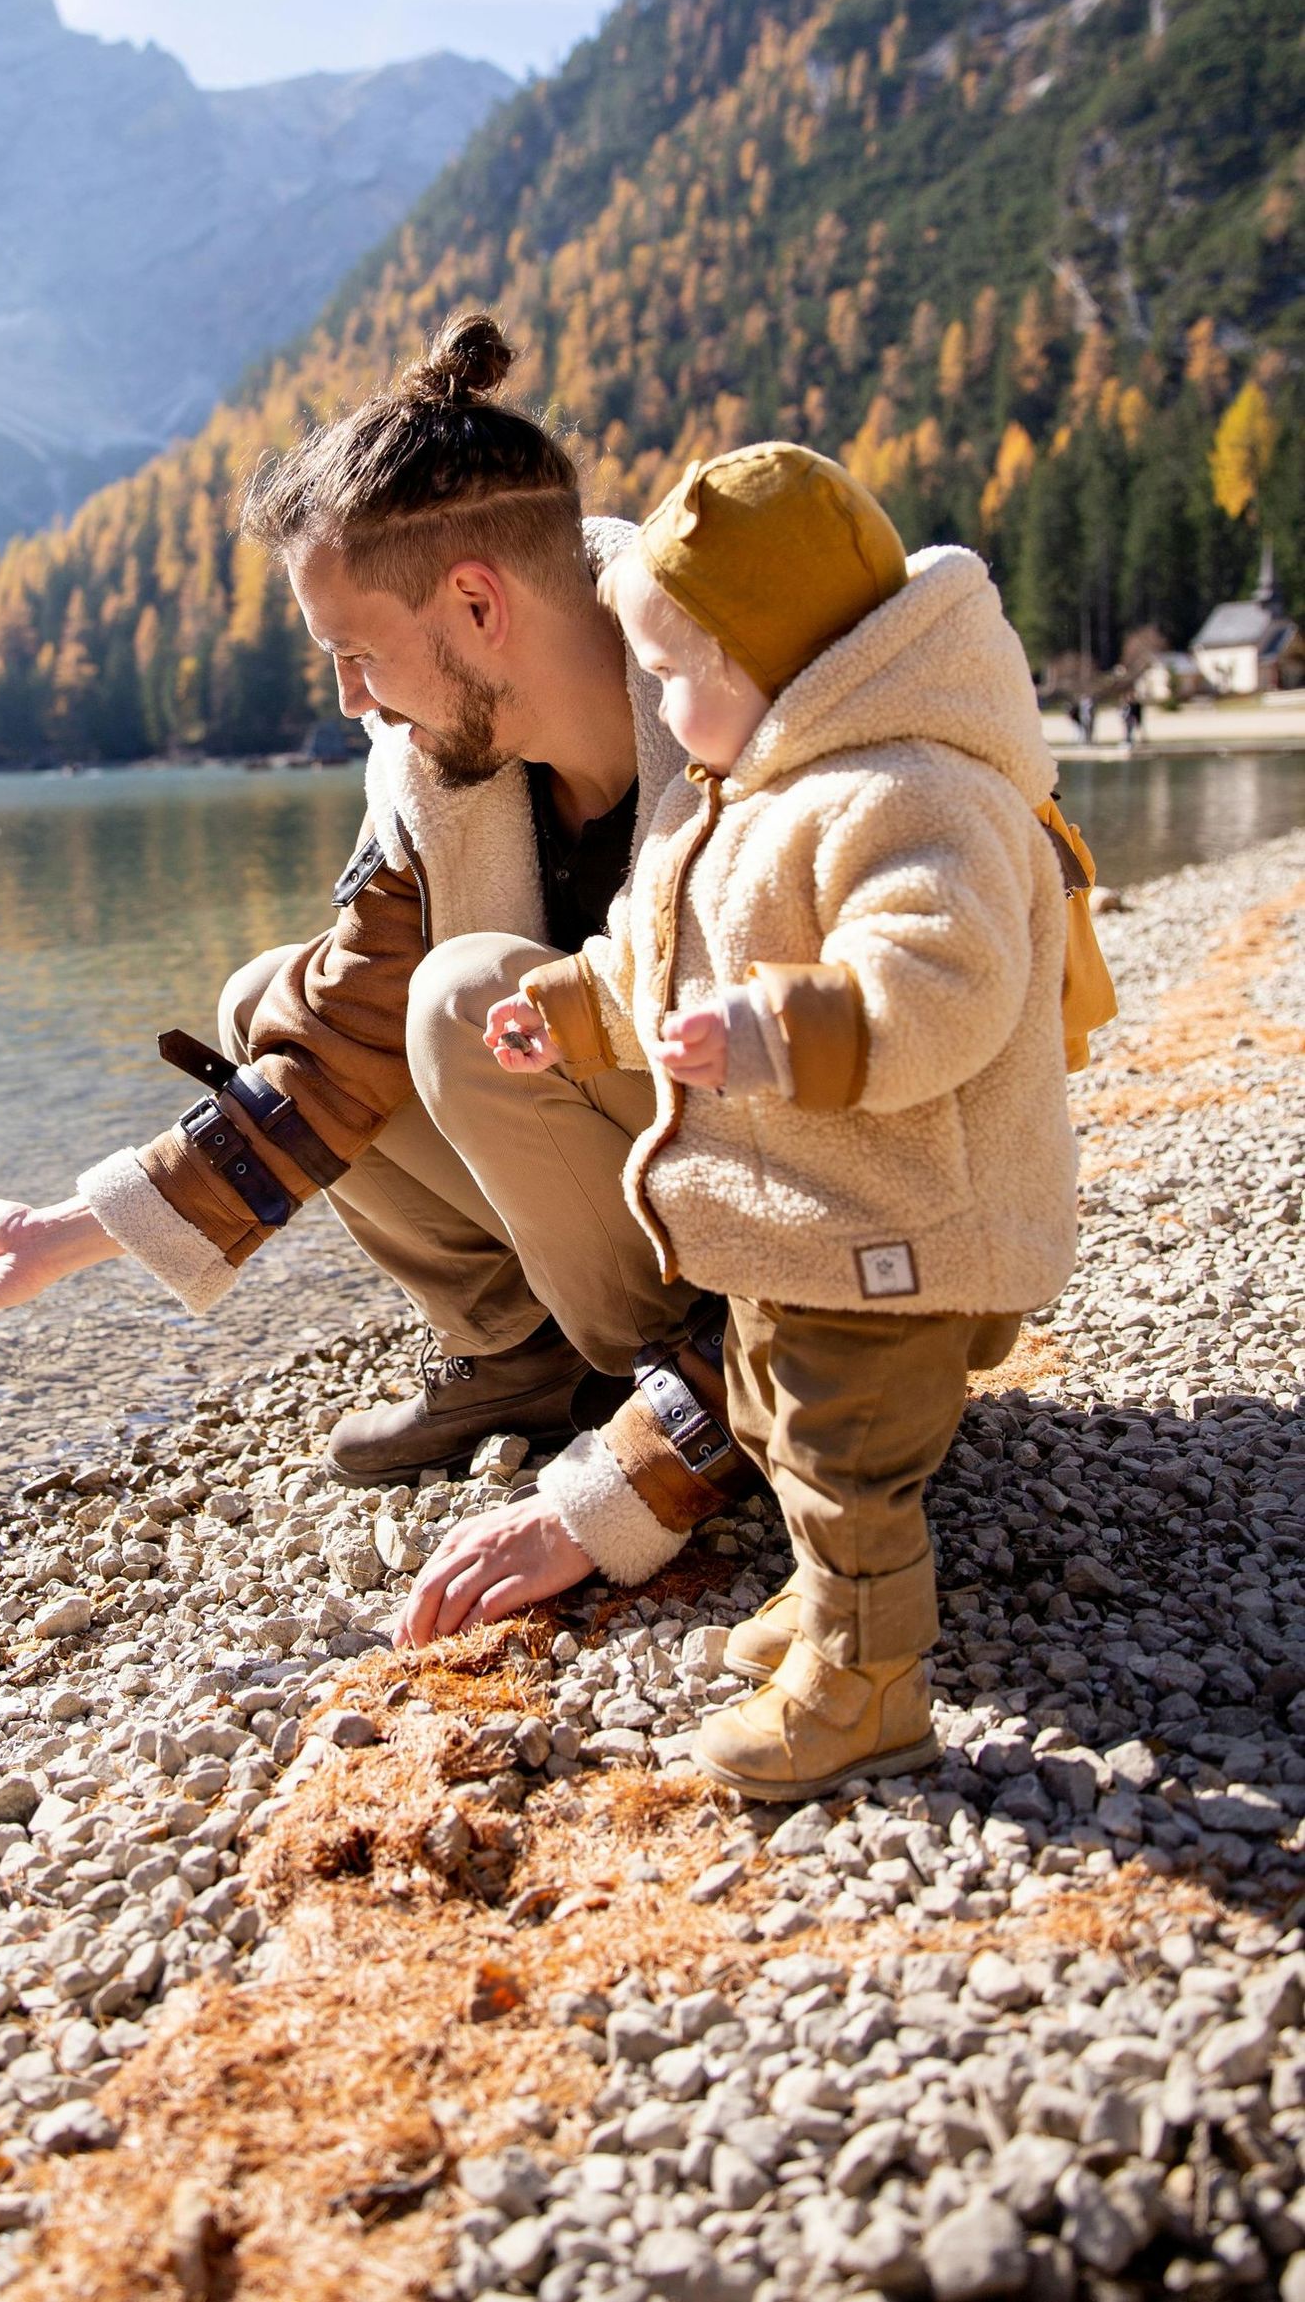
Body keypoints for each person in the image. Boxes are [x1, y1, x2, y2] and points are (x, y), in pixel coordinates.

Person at [0, 310, 748, 1530]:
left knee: (466, 997)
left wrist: (655, 1470)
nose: (348, 699)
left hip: (787, 1261)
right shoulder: (433, 780)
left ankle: (670, 1386)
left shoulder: (741, 729)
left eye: (353, 651)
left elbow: (865, 1134)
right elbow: (334, 1047)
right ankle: (521, 1355)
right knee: (268, 1002)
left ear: (476, 605)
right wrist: (71, 1233)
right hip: (642, 1185)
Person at [404, 443, 1078, 1800]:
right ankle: (824, 1615)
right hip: (797, 1226)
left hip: (899, 1224)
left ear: (776, 654)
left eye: (675, 672)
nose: (655, 700)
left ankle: (865, 1685)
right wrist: (573, 1007)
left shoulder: (909, 793)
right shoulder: (753, 794)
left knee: (843, 1463)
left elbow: (935, 987)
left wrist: (776, 1029)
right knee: (771, 1413)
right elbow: (656, 955)